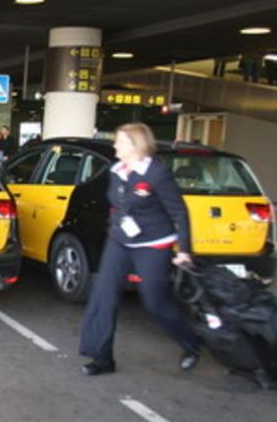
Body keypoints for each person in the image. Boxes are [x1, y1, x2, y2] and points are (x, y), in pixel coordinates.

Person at [78, 123, 200, 376]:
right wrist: (114, 227)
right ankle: (102, 358)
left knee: (155, 302)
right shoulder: (116, 171)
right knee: (103, 296)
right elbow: (118, 204)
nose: (115, 146)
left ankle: (192, 344)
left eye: (120, 142)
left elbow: (179, 211)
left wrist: (184, 250)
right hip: (120, 241)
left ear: (136, 145)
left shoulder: (156, 173)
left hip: (153, 244)